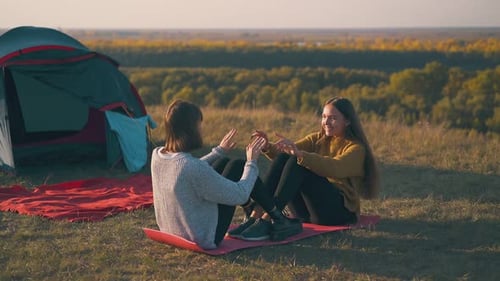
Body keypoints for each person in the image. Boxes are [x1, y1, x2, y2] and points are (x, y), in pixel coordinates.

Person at [151, 100, 301, 250]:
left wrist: (219, 151)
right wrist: (252, 162)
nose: (201, 130)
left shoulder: (158, 155)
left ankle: (269, 215)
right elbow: (241, 195)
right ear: (190, 130)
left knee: (228, 163)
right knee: (239, 167)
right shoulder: (191, 167)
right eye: (198, 126)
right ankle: (277, 218)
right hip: (204, 236)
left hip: (172, 231)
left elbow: (184, 170)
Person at [228, 96, 380, 241]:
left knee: (298, 162)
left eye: (333, 118)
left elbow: (335, 167)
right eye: (324, 117)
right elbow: (286, 153)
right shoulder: (317, 139)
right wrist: (268, 146)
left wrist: (301, 155)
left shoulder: (356, 149)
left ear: (347, 121)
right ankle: (255, 216)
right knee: (285, 157)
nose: (326, 122)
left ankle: (270, 219)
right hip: (308, 211)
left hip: (337, 213)